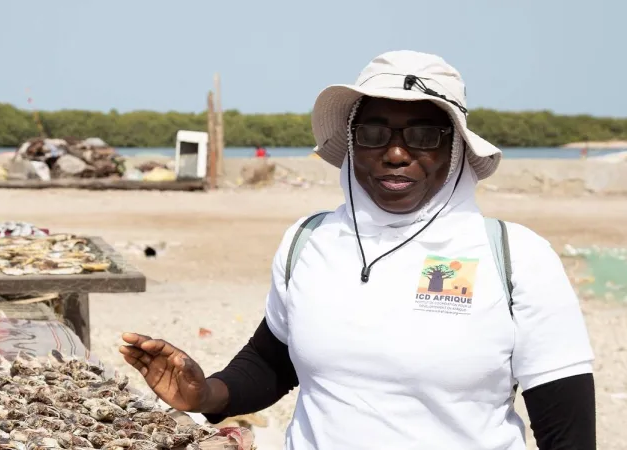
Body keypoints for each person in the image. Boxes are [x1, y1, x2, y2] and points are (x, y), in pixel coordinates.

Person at [120, 51, 595, 449]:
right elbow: (273, 361)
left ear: (455, 149)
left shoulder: (515, 258)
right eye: (373, 133)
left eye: (423, 135)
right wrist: (205, 395)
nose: (396, 153)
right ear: (351, 143)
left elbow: (566, 431)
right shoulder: (309, 240)